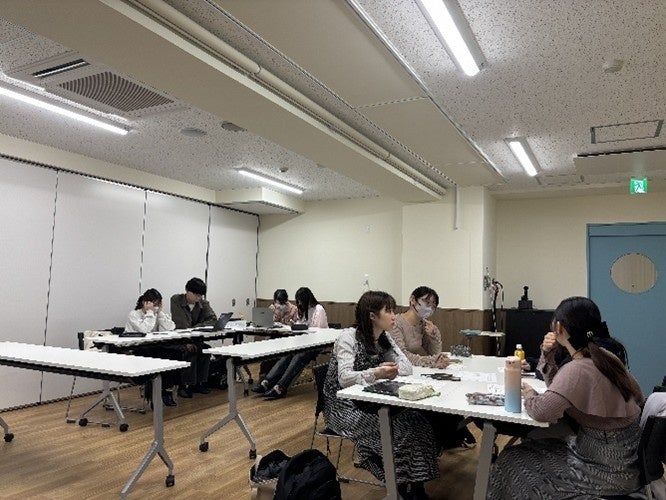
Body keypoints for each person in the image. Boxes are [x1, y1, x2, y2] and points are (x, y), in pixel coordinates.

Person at [488, 296, 644, 499]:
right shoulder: (606, 356)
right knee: (528, 450)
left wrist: (529, 394)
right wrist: (548, 353)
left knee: (512, 460)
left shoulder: (577, 369)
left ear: (559, 327)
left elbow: (541, 412)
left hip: (604, 470)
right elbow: (561, 388)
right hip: (626, 461)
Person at [323, 290, 439, 499]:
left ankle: (415, 486)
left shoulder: (384, 338)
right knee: (402, 429)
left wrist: (388, 369)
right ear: (372, 316)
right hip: (343, 408)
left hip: (370, 400)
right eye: (389, 311)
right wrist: (377, 372)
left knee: (418, 422)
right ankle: (399, 486)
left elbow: (406, 367)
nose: (394, 316)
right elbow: (344, 378)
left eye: (394, 310)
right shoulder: (348, 337)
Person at [251, 287, 328, 400]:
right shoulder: (304, 310)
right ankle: (266, 382)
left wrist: (303, 327)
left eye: (301, 301)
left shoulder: (318, 309)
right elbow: (301, 324)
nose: (299, 304)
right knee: (288, 354)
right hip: (304, 342)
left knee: (299, 356)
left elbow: (318, 330)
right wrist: (295, 324)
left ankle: (280, 387)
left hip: (317, 344)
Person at [124, 288, 178, 406]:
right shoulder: (134, 314)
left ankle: (166, 390)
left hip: (152, 346)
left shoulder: (156, 314)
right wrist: (149, 313)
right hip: (136, 348)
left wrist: (160, 313)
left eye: (158, 304)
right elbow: (145, 329)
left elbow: (170, 327)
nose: (156, 307)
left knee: (172, 354)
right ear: (145, 303)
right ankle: (153, 392)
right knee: (152, 356)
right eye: (154, 304)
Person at [169, 277, 215, 398]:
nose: (198, 298)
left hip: (195, 339)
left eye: (201, 296)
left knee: (205, 350)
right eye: (196, 295)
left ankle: (200, 383)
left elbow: (213, 319)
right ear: (187, 291)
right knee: (190, 351)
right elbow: (182, 324)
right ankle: (185, 385)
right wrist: (199, 325)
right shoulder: (176, 300)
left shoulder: (202, 302)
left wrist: (198, 326)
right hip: (179, 340)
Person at [389, 286, 449, 368]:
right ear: (413, 300)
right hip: (401, 368)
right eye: (427, 302)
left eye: (433, 306)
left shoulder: (425, 325)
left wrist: (433, 335)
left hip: (417, 369)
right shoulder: (395, 323)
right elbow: (401, 355)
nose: (429, 308)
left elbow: (435, 353)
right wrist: (431, 361)